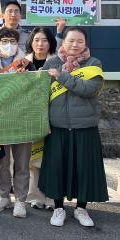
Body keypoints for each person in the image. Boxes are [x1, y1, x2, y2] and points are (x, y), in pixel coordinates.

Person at [40, 27, 107, 227]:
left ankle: (81, 209)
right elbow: (40, 93)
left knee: (84, 169)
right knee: (57, 169)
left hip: (84, 126)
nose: (75, 44)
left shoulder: (94, 64)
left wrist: (61, 77)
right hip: (58, 126)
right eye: (71, 40)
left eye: (79, 41)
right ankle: (58, 208)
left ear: (85, 43)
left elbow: (89, 90)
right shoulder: (52, 62)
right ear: (63, 42)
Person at [0, 27, 35, 218]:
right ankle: (4, 196)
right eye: (4, 41)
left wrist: (26, 80)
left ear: (18, 43)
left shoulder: (27, 64)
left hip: (22, 118)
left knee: (22, 163)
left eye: (12, 41)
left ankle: (21, 200)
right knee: (2, 162)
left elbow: (35, 89)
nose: (9, 45)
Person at [25, 27, 58, 211]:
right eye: (36, 40)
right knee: (33, 159)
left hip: (54, 116)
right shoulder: (23, 62)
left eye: (45, 40)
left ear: (51, 43)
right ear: (31, 42)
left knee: (52, 159)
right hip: (31, 116)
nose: (40, 44)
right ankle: (35, 196)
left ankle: (52, 197)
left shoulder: (58, 62)